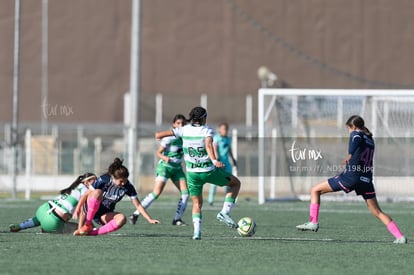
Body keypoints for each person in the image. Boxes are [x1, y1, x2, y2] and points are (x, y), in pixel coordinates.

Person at [296, 115, 407, 244]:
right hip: (366, 179)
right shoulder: (370, 139)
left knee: (315, 190)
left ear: (353, 126)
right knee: (377, 211)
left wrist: (350, 153)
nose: (349, 131)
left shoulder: (356, 134)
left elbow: (355, 140)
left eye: (348, 128)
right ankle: (400, 236)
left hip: (351, 177)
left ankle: (313, 222)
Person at [155, 106, 241, 240]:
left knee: (197, 204)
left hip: (192, 174)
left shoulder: (183, 130)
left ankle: (197, 233)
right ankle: (225, 212)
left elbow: (158, 135)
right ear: (204, 118)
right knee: (235, 183)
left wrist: (165, 137)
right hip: (208, 171)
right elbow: (208, 145)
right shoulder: (206, 130)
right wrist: (214, 160)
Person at [73, 158, 160, 236]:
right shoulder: (104, 179)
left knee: (122, 218)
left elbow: (138, 205)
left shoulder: (128, 186)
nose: (123, 183)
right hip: (89, 209)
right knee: (97, 192)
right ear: (113, 177)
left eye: (125, 180)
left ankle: (93, 233)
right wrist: (77, 209)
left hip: (103, 215)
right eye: (121, 181)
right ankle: (87, 225)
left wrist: (149, 219)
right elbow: (86, 195)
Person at [129, 114, 189, 226]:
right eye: (178, 123)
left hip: (177, 169)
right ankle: (136, 214)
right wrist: (164, 157)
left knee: (185, 194)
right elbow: (158, 152)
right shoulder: (170, 137)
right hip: (165, 168)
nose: (181, 125)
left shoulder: (186, 136)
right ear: (174, 124)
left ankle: (177, 219)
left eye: (183, 123)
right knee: (157, 192)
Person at [9, 172, 97, 233]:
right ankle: (47, 228)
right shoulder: (86, 189)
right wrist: (91, 226)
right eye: (94, 180)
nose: (97, 182)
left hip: (42, 210)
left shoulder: (74, 187)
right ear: (86, 182)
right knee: (78, 228)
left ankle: (19, 226)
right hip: (53, 221)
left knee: (41, 219)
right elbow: (84, 212)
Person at [208, 122, 237, 206]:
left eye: (226, 129)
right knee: (214, 183)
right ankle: (210, 200)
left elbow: (229, 150)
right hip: (218, 163)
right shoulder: (216, 138)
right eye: (223, 129)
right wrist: (217, 159)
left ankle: (228, 200)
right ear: (220, 130)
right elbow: (215, 148)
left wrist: (233, 159)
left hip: (227, 164)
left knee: (230, 182)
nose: (225, 131)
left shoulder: (228, 139)